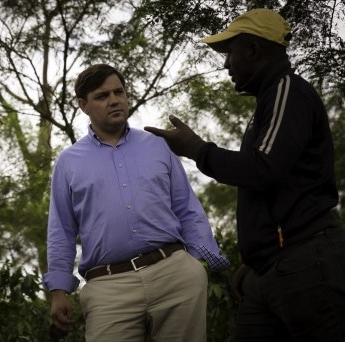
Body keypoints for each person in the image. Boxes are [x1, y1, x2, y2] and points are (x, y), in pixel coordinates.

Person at [145, 8, 345, 341]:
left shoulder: (287, 91)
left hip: (307, 266)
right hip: (270, 270)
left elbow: (263, 170)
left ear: (253, 50)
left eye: (230, 54)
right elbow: (272, 188)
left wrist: (196, 148)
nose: (225, 65)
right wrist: (254, 259)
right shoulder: (269, 102)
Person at [43, 63, 229, 341]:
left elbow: (187, 208)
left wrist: (199, 264)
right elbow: (62, 230)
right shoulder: (68, 161)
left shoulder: (158, 145)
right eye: (102, 96)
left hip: (175, 275)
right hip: (108, 288)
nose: (114, 100)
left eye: (119, 92)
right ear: (83, 105)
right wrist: (58, 291)